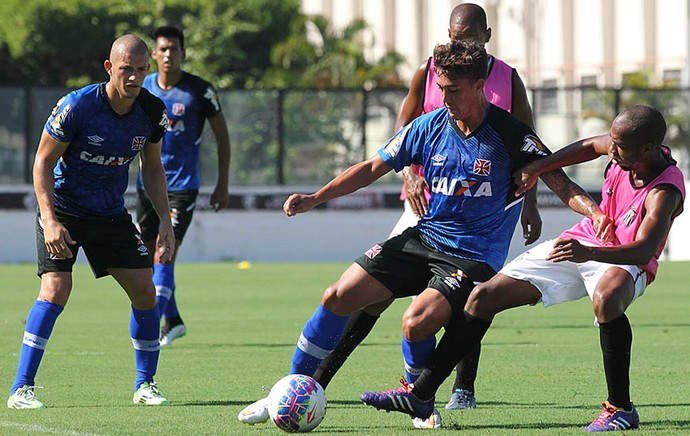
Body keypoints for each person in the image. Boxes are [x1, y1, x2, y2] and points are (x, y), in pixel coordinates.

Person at [239, 40, 604, 427]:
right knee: (337, 295)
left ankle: (418, 399)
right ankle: (289, 387)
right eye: (441, 88)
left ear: (480, 85)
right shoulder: (428, 126)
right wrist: (316, 197)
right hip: (424, 236)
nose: (445, 98)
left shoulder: (511, 135)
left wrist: (594, 212)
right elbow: (371, 167)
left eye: (454, 90)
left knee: (415, 321)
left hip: (473, 255)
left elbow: (560, 183)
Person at [361, 104, 684, 432]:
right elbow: (589, 146)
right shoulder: (623, 146)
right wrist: (540, 166)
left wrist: (589, 252)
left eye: (619, 147)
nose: (610, 149)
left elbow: (644, 250)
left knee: (608, 297)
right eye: (612, 141)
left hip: (624, 258)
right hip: (583, 242)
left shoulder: (663, 191)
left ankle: (620, 409)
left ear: (646, 149)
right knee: (481, 297)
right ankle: (422, 395)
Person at [311, 4, 540, 421]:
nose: (460, 44)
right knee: (366, 296)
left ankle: (458, 387)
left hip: (480, 221)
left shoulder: (509, 79)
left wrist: (530, 203)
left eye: (468, 38)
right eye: (454, 37)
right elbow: (405, 126)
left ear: (486, 37)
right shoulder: (429, 69)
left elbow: (530, 153)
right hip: (426, 203)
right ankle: (312, 385)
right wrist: (410, 176)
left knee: (456, 299)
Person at [7, 34, 175, 409]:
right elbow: (43, 163)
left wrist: (165, 219)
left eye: (139, 70)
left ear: (148, 70)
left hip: (110, 213)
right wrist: (49, 220)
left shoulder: (151, 111)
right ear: (109, 68)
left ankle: (145, 384)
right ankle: (21, 389)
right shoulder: (78, 107)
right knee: (56, 289)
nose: (132, 77)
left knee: (146, 292)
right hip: (64, 209)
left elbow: (152, 168)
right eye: (125, 70)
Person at [136, 25, 231, 347]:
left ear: (182, 53)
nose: (168, 55)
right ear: (153, 54)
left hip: (182, 186)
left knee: (165, 252)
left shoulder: (200, 91)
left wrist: (223, 184)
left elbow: (222, 136)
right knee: (148, 257)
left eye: (173, 49)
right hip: (146, 186)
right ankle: (173, 320)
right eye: (162, 49)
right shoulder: (143, 87)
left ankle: (149, 331)